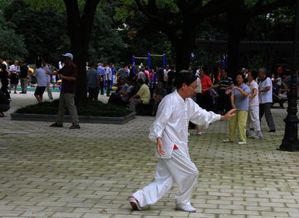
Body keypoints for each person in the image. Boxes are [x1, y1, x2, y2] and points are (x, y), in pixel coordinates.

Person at [129, 70, 236, 212]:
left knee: (164, 179)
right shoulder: (170, 101)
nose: (195, 90)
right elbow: (160, 122)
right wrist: (158, 137)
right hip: (171, 146)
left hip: (178, 145)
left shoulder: (188, 103)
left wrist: (221, 117)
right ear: (184, 86)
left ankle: (139, 198)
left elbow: (201, 115)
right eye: (193, 86)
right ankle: (182, 201)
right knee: (192, 172)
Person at [50, 53, 80, 129]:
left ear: (69, 59)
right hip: (64, 89)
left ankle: (76, 123)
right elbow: (59, 72)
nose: (64, 59)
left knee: (71, 107)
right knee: (61, 107)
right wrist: (49, 73)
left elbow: (74, 78)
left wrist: (64, 77)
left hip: (70, 90)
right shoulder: (66, 66)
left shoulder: (73, 67)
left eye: (65, 58)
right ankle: (59, 122)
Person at [223, 73, 250, 145]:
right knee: (232, 123)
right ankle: (230, 138)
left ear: (243, 79)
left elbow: (245, 94)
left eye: (239, 78)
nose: (238, 79)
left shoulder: (246, 87)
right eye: (237, 78)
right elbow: (232, 95)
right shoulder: (235, 87)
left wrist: (238, 88)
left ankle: (243, 139)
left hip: (243, 108)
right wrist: (233, 104)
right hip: (235, 108)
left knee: (241, 124)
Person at [258, 68, 276, 132]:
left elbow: (268, 88)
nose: (258, 74)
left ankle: (272, 128)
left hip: (266, 100)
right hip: (261, 100)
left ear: (263, 73)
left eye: (259, 73)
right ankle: (257, 127)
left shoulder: (267, 79)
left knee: (267, 114)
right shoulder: (260, 81)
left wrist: (260, 90)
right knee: (258, 114)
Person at [247, 70, 263, 139]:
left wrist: (251, 96)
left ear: (252, 77)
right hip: (249, 103)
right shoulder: (248, 83)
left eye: (249, 75)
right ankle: (251, 131)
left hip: (254, 104)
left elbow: (255, 92)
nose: (247, 76)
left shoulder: (254, 83)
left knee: (255, 118)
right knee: (250, 118)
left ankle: (258, 132)